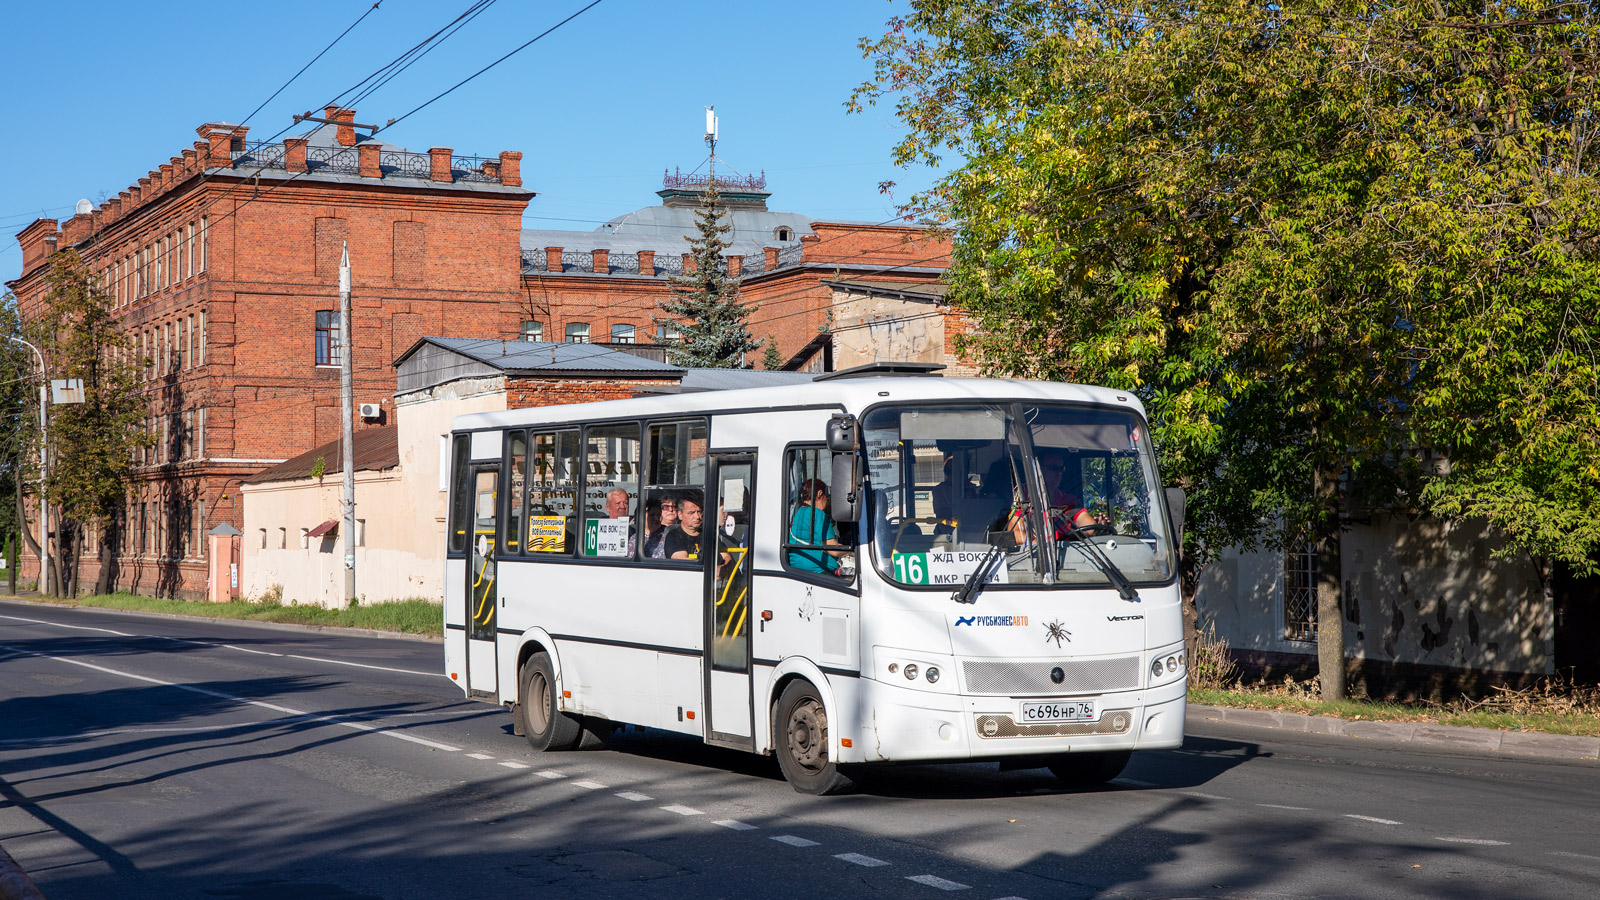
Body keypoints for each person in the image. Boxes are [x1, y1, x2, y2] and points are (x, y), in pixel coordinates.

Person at [787, 479, 849, 575]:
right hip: (819, 571)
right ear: (820, 493)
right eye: (827, 497)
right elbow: (833, 550)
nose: (827, 502)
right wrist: (852, 552)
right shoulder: (817, 513)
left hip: (797, 568)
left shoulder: (798, 513)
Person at [1037, 449, 1101, 535]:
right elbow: (1019, 536)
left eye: (1061, 469)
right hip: (1038, 548)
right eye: (1054, 468)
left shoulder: (1068, 501)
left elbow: (1086, 523)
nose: (1059, 473)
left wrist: (1099, 529)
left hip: (1065, 548)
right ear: (1039, 469)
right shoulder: (1024, 497)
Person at [666, 492, 704, 562]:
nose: (697, 517)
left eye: (699, 512)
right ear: (680, 515)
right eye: (691, 513)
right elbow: (682, 560)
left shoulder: (708, 534)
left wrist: (723, 567)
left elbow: (726, 556)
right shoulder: (674, 536)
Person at [642, 493, 679, 559]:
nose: (671, 510)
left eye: (658, 515)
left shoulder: (671, 534)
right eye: (652, 515)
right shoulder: (636, 537)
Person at [605, 487, 637, 556]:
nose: (622, 506)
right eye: (618, 503)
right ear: (608, 507)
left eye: (625, 503)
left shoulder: (635, 533)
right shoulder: (599, 531)